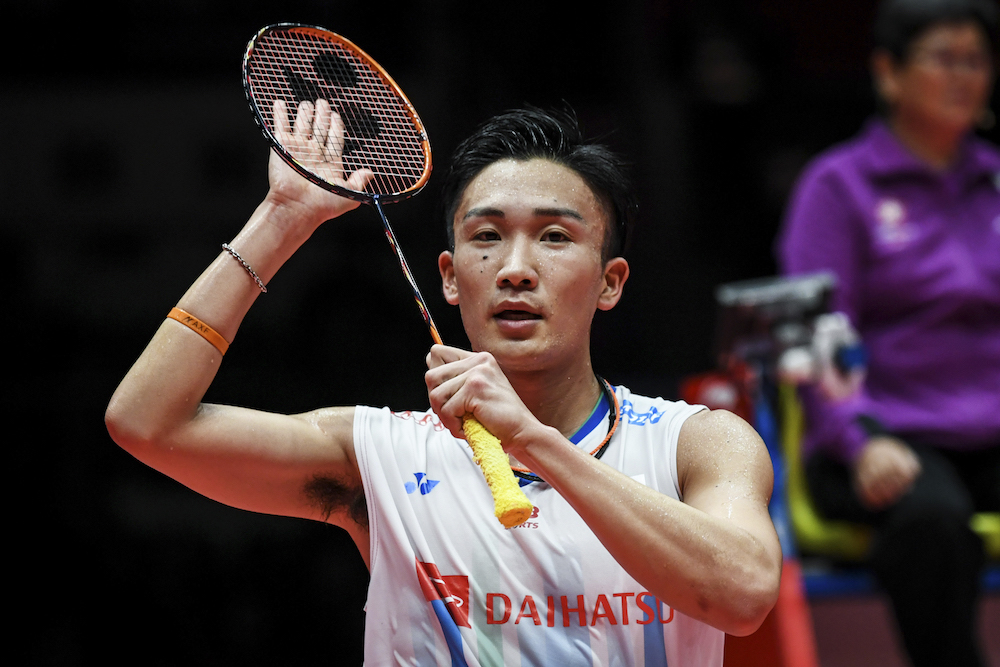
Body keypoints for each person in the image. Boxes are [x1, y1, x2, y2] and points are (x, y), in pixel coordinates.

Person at [106, 103, 781, 665]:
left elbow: (743, 593)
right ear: (451, 277)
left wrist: (530, 439)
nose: (516, 268)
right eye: (486, 236)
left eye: (553, 237)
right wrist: (281, 218)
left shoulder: (698, 443)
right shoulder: (378, 456)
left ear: (611, 282)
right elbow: (146, 423)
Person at [776, 1, 1000, 665]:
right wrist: (857, 439)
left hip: (988, 433)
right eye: (943, 58)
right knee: (932, 523)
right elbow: (813, 332)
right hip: (884, 436)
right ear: (889, 72)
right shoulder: (838, 186)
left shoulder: (994, 179)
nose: (964, 75)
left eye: (977, 60)